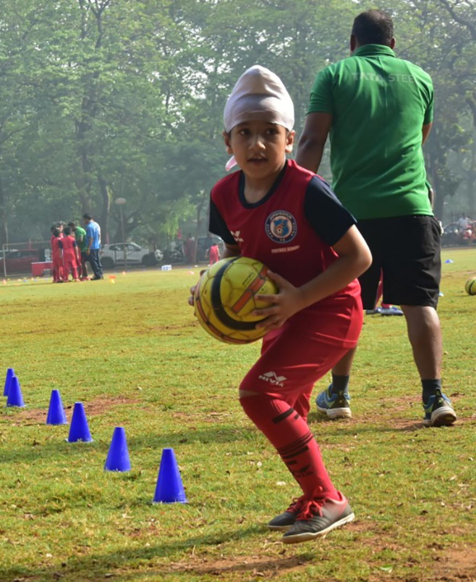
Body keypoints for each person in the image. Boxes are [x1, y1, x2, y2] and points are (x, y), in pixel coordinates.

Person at [195, 65, 371, 543]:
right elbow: (235, 256)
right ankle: (308, 495)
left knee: (259, 395)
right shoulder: (222, 194)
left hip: (329, 310)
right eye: (245, 133)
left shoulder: (308, 189)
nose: (257, 144)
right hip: (280, 313)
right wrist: (209, 288)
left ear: (290, 139)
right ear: (227, 140)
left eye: (270, 133)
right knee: (288, 401)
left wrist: (297, 299)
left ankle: (328, 496)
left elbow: (360, 257)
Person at [296, 10, 455, 427]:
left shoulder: (335, 76)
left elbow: (312, 139)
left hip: (353, 215)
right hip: (412, 207)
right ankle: (435, 396)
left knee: (349, 304)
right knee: (420, 304)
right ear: (393, 44)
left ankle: (340, 393)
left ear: (352, 43)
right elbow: (418, 138)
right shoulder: (420, 79)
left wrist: (295, 194)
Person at [82, 214, 103, 280]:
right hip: (97, 245)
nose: (84, 221)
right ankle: (100, 274)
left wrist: (88, 248)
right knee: (97, 261)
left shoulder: (89, 227)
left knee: (93, 262)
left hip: (92, 246)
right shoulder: (96, 224)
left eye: (84, 220)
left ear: (87, 219)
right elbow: (99, 235)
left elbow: (91, 238)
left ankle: (97, 275)